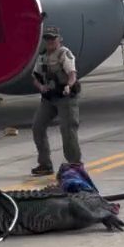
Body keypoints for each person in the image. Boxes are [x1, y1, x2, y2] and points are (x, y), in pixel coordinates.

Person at [30, 26, 83, 176]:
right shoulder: (42, 57)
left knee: (67, 129)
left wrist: (69, 85)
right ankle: (45, 164)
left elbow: (72, 73)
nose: (50, 41)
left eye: (53, 38)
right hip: (49, 98)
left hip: (65, 97)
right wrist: (41, 87)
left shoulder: (64, 54)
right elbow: (35, 76)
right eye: (47, 39)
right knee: (37, 127)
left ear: (59, 39)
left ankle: (75, 164)